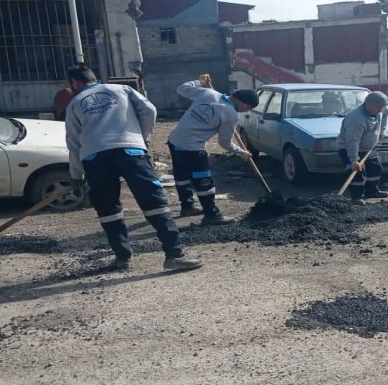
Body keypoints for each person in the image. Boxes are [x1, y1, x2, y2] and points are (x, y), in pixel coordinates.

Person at [64, 64, 201, 271]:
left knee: (108, 210)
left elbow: (73, 143)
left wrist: (76, 175)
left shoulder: (74, 103)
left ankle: (122, 258)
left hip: (95, 158)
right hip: (131, 152)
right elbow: (149, 110)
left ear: (74, 82)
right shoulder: (122, 89)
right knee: (154, 202)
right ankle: (175, 255)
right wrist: (140, 137)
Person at [167, 77, 258, 224]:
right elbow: (224, 143)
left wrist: (200, 82)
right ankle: (212, 215)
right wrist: (241, 151)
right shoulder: (230, 114)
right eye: (248, 107)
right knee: (203, 180)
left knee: (182, 175)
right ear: (241, 101)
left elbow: (181, 88)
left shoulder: (208, 93)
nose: (247, 110)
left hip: (175, 140)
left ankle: (187, 207)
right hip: (191, 147)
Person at [337, 91, 388, 204]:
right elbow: (352, 141)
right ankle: (356, 197)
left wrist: (382, 130)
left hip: (369, 148)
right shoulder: (356, 119)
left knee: (375, 168)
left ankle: (372, 191)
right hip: (350, 149)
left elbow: (385, 115)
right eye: (378, 107)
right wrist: (354, 160)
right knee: (358, 173)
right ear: (368, 104)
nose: (380, 110)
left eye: (382, 107)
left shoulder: (381, 109)